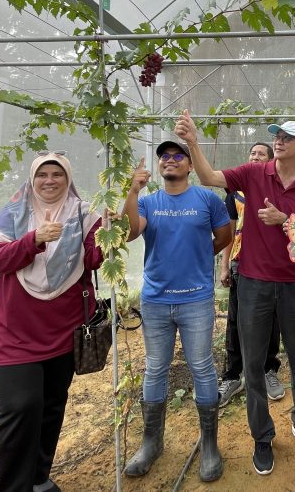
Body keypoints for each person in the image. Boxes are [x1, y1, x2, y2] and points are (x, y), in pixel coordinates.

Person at [174, 111, 295, 476]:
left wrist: (286, 221)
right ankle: (262, 435)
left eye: (288, 137)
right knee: (253, 362)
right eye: (277, 135)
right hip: (255, 283)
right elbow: (210, 177)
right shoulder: (253, 173)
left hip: (293, 283)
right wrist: (193, 143)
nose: (279, 140)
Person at [0, 151, 103, 492]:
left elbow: (94, 259)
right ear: (32, 180)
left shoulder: (83, 213)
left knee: (51, 405)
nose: (50, 181)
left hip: (63, 331)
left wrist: (112, 226)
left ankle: (37, 476)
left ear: (68, 179)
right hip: (15, 332)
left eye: (57, 175)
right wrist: (33, 240)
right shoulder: (15, 214)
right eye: (43, 175)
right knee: (20, 409)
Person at [120, 141, 232, 482]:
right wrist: (131, 190)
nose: (170, 161)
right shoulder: (149, 201)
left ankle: (209, 445)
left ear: (188, 164)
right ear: (159, 167)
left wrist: (201, 257)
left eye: (177, 156)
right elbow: (128, 232)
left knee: (201, 366)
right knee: (155, 369)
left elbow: (225, 235)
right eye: (164, 157)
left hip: (196, 299)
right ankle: (152, 443)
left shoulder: (208, 199)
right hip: (155, 300)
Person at [218, 141, 285, 406]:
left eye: (261, 154)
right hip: (240, 263)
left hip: (269, 265)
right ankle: (233, 374)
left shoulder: (277, 189)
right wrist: (225, 265)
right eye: (252, 153)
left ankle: (269, 370)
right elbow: (228, 232)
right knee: (235, 320)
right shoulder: (234, 192)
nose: (255, 157)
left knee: (271, 319)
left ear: (270, 161)